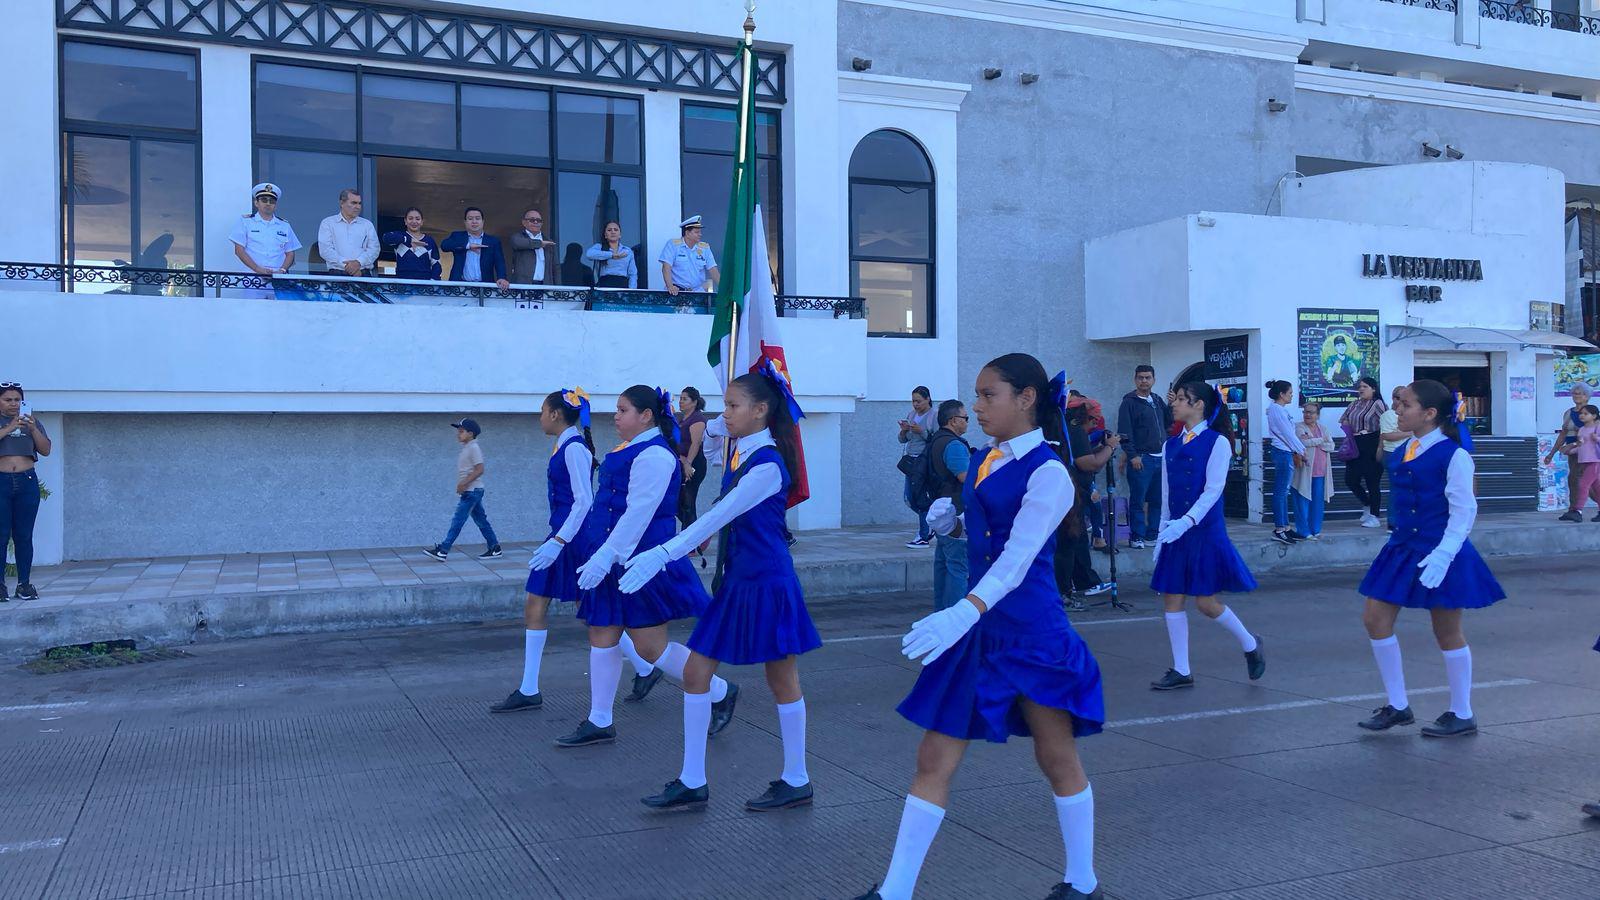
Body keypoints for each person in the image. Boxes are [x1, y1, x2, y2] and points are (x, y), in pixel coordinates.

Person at [855, 354, 1106, 900]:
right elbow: (991, 535)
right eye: (977, 394)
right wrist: (955, 525)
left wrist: (962, 610)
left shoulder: (1049, 472)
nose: (977, 405)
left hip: (1031, 633)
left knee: (1056, 756)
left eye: (989, 394)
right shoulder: (985, 459)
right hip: (978, 630)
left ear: (1026, 398)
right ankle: (895, 891)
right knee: (933, 757)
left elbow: (1017, 558)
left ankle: (1083, 882)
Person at [622, 364, 822, 811]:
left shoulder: (766, 464)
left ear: (761, 410)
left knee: (781, 678)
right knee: (696, 674)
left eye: (733, 406)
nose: (724, 413)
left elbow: (718, 515)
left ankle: (797, 778)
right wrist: (714, 428)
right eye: (724, 405)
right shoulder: (741, 452)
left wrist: (663, 554)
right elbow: (710, 449)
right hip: (737, 580)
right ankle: (692, 780)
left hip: (767, 582)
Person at [557, 386, 739, 749]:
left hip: (641, 562)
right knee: (601, 633)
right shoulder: (628, 448)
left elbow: (638, 513)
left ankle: (720, 690)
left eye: (623, 410)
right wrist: (598, 554)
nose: (616, 416)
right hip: (610, 557)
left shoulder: (655, 454)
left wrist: (606, 556)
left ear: (646, 415)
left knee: (650, 648)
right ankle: (600, 720)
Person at [491, 388, 659, 713]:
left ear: (555, 414)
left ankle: (646, 667)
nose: (540, 418)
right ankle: (530, 687)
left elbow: (584, 501)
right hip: (563, 536)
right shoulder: (564, 445)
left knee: (590, 613)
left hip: (573, 539)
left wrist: (558, 542)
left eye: (542, 411)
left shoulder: (575, 449)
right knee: (547, 605)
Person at [1356, 380, 1506, 737]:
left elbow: (1464, 511)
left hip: (1441, 549)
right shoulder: (1407, 446)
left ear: (1430, 413)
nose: (1398, 409)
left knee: (1446, 630)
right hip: (1401, 547)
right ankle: (1397, 705)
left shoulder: (1454, 455)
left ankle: (1462, 711)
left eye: (1405, 404)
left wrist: (1443, 555)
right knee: (1375, 619)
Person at [1148, 382, 1264, 692]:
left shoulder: (1218, 442)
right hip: (1176, 530)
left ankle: (1251, 643)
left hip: (1203, 531)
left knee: (1206, 603)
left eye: (1182, 399)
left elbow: (1213, 491)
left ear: (1199, 405)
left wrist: (1185, 522)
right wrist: (1162, 533)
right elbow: (1167, 494)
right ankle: (1181, 669)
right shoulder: (1170, 445)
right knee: (1172, 597)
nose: (1175, 403)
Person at [1058, 395, 1119, 603]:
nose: (1095, 424)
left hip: (1073, 492)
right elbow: (1088, 464)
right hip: (1071, 493)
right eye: (1094, 420)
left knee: (1077, 540)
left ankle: (1083, 582)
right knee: (1071, 542)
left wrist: (1102, 449)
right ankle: (1070, 589)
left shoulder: (1070, 430)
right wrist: (1110, 447)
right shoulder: (1076, 432)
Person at [421, 419, 502, 561]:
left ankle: (443, 550)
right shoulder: (467, 447)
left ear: (470, 433)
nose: (458, 434)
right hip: (472, 490)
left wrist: (463, 484)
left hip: (472, 491)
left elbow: (480, 469)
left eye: (461, 431)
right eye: (458, 431)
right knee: (481, 521)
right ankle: (495, 548)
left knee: (458, 520)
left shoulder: (474, 448)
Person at [0, 383, 50, 602]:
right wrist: (10, 427)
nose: (13, 404)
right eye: (7, 400)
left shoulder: (32, 422)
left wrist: (33, 429)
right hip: (1, 481)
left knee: (24, 535)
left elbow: (46, 450)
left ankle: (24, 584)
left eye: (17, 400)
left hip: (26, 481)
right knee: (1, 535)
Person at [1116, 365, 1171, 550]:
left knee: (1157, 501)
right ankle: (1137, 536)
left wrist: (1171, 405)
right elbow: (1124, 432)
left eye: (1148, 377)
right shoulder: (1129, 403)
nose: (1144, 381)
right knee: (1138, 500)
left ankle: (1152, 535)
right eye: (1140, 377)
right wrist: (1132, 455)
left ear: (1154, 380)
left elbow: (1169, 423)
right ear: (1135, 380)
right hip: (1141, 458)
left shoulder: (1157, 400)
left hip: (1160, 457)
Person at [926, 399, 973, 611]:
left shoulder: (936, 440)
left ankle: (941, 614)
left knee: (943, 565)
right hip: (956, 513)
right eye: (965, 418)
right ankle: (954, 616)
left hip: (941, 510)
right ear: (953, 420)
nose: (967, 422)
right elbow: (965, 478)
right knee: (958, 566)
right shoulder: (954, 445)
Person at [229, 183, 301, 297]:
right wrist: (257, 269)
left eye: (272, 201)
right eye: (264, 200)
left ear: (275, 205)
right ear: (256, 203)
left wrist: (282, 270)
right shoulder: (245, 222)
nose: (268, 203)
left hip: (278, 280)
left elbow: (290, 253)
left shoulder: (284, 225)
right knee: (253, 308)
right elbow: (239, 250)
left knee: (279, 308)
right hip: (253, 279)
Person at [1340, 377, 1389, 528]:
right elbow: (1343, 419)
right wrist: (1348, 426)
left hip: (1371, 442)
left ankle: (1374, 516)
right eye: (1360, 386)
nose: (1361, 389)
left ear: (1373, 388)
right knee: (1350, 480)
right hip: (1355, 443)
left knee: (1372, 481)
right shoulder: (1354, 404)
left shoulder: (1378, 404)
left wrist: (1380, 445)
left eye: (1365, 386)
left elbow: (1387, 423)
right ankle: (1367, 503)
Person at [1264, 380, 1306, 545]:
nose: (1292, 396)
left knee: (1283, 491)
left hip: (1285, 452)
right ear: (1281, 394)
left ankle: (1286, 527)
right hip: (1282, 452)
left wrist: (1299, 449)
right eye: (1290, 393)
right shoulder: (1276, 410)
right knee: (1281, 492)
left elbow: (1289, 434)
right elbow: (1288, 434)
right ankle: (1279, 529)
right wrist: (1301, 451)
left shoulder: (1279, 409)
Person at [897, 387, 938, 548]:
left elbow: (937, 439)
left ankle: (923, 534)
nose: (915, 404)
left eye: (918, 401)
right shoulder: (911, 415)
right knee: (909, 498)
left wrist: (922, 431)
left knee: (920, 498)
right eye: (913, 401)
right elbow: (904, 439)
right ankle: (932, 520)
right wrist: (903, 431)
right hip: (911, 461)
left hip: (924, 461)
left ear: (928, 399)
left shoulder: (933, 416)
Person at [1547, 384, 1594, 521]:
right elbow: (1563, 434)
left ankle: (1575, 510)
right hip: (1572, 452)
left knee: (1579, 480)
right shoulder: (1568, 413)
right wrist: (1551, 453)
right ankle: (1574, 509)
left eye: (1580, 393)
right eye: (1574, 393)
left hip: (1587, 452)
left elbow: (1591, 434)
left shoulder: (1591, 413)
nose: (1576, 396)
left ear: (1587, 396)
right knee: (1580, 481)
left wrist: (1575, 444)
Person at [676, 387, 711, 564]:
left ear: (694, 402)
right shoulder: (682, 419)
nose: (681, 402)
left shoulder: (697, 419)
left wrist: (688, 464)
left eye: (685, 399)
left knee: (688, 501)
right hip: (683, 463)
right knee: (680, 502)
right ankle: (700, 534)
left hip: (694, 464)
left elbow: (695, 444)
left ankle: (690, 543)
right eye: (680, 398)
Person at [1292, 401, 1335, 541]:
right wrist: (1321, 440)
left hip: (1320, 471)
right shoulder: (1299, 427)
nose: (1307, 415)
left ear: (1318, 415)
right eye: (1305, 412)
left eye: (1311, 412)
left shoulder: (1323, 428)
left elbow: (1331, 446)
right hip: (1304, 471)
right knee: (1302, 499)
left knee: (1317, 502)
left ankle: (1316, 530)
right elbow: (1303, 443)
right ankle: (1303, 531)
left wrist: (1314, 440)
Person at [316, 188, 378, 276]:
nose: (358, 207)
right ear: (342, 203)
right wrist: (348, 266)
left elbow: (374, 249)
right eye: (354, 203)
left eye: (359, 203)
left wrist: (358, 263)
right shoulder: (328, 223)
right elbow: (325, 250)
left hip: (362, 274)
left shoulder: (367, 224)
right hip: (337, 274)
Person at [442, 208, 510, 289]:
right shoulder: (457, 236)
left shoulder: (493, 241)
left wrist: (502, 277)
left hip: (484, 287)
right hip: (460, 287)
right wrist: (468, 246)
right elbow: (444, 246)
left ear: (483, 221)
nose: (474, 221)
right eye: (470, 219)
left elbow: (499, 262)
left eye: (477, 218)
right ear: (465, 222)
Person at [659, 215, 719, 295]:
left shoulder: (705, 248)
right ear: (687, 233)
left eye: (700, 232)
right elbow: (666, 267)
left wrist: (723, 290)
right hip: (677, 292)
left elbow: (713, 270)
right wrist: (670, 286)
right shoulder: (673, 245)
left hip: (697, 292)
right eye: (696, 232)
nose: (700, 234)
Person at [1378, 386, 1410, 531]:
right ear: (1393, 398)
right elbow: (1387, 435)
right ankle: (1392, 522)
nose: (1402, 402)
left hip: (1408, 453)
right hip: (1393, 453)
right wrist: (1409, 433)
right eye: (1399, 398)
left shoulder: (1409, 414)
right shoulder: (1388, 415)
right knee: (1396, 488)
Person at [381, 207, 442, 281]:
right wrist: (409, 240)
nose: (414, 221)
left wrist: (431, 283)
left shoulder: (429, 241)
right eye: (410, 218)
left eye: (417, 219)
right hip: (403, 283)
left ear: (422, 222)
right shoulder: (400, 237)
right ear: (405, 221)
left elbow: (437, 265)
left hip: (423, 284)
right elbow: (386, 238)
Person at [1562, 404, 1600, 521]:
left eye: (1585, 414)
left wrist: (1597, 438)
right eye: (1581, 413)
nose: (1582, 415)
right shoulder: (1582, 430)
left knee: (1583, 485)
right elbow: (1582, 447)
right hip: (1584, 461)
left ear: (1594, 416)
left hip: (1595, 461)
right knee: (1597, 488)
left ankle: (1577, 511)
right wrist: (1570, 451)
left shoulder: (1597, 428)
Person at [507, 209, 558, 286]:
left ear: (542, 223)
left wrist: (558, 288)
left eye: (538, 220)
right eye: (532, 220)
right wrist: (540, 243)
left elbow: (555, 267)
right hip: (523, 286)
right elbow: (516, 243)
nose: (536, 222)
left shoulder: (548, 241)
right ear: (524, 222)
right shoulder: (518, 237)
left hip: (545, 286)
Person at [585, 221, 639, 288]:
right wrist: (611, 255)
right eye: (609, 230)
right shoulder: (599, 247)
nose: (613, 232)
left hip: (622, 286)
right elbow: (589, 254)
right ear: (605, 235)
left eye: (615, 230)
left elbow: (633, 274)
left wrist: (631, 290)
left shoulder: (627, 251)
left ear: (620, 235)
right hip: (605, 286)